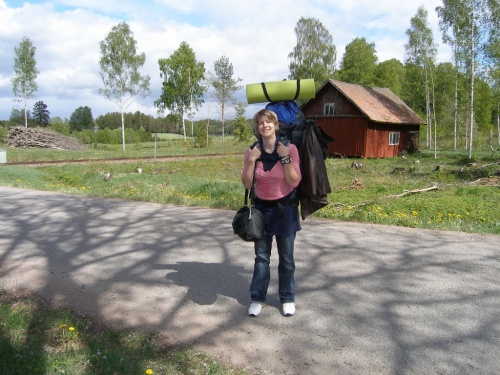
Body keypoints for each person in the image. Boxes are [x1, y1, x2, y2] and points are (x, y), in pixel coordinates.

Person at [240, 108, 302, 317]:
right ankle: (258, 298)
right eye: (260, 123)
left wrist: (285, 158)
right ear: (257, 128)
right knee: (261, 258)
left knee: (286, 258)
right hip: (261, 210)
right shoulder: (253, 151)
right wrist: (251, 161)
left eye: (268, 122)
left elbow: (294, 181)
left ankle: (287, 298)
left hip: (285, 209)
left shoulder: (289, 148)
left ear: (275, 125)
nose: (265, 125)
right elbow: (247, 183)